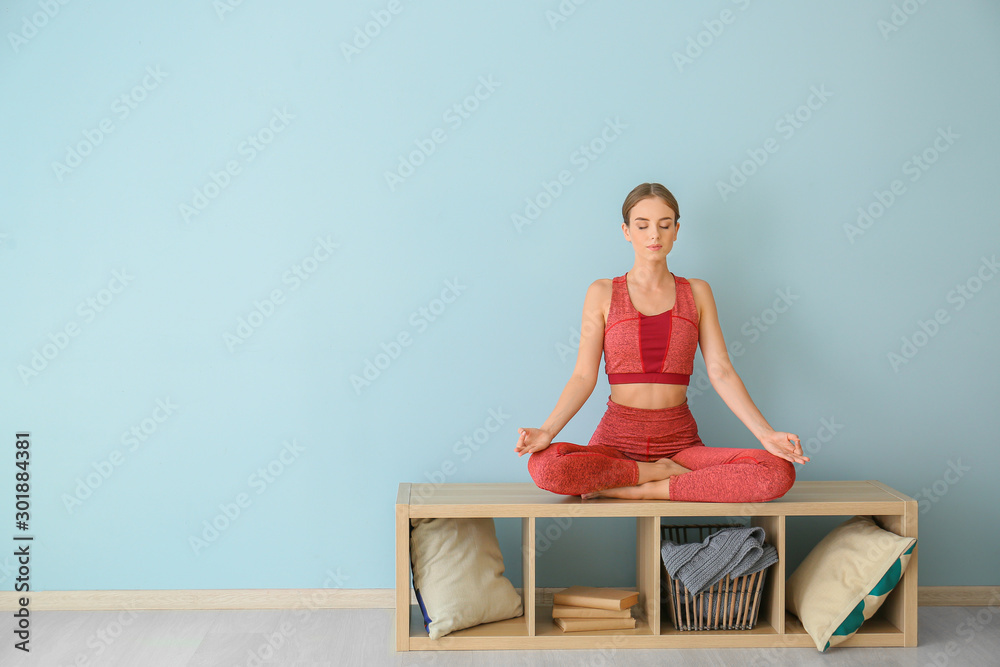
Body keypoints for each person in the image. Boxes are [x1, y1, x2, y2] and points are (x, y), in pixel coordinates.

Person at [514, 183, 809, 502]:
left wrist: (766, 434)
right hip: (616, 445)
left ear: (676, 231)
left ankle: (640, 490)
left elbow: (721, 371)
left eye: (664, 225)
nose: (654, 234)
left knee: (777, 472)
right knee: (544, 467)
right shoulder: (602, 292)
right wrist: (547, 431)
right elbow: (584, 377)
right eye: (642, 225)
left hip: (680, 447)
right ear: (626, 231)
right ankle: (654, 474)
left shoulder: (697, 292)